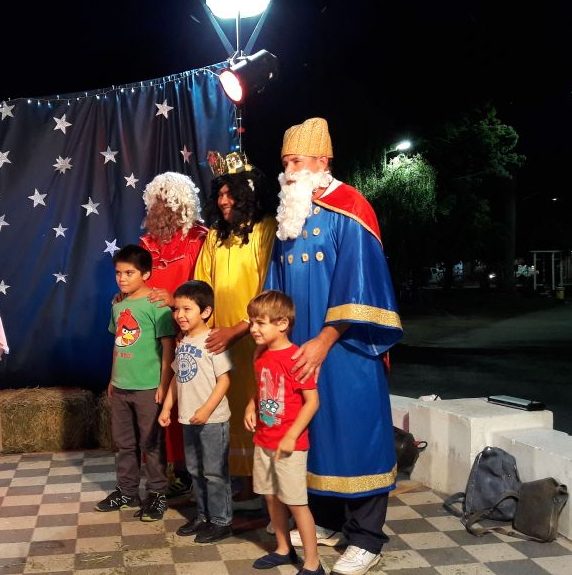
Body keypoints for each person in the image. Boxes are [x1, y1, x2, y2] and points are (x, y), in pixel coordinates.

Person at [265, 117, 403, 575]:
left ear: (323, 161)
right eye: (285, 162)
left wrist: (325, 339)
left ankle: (366, 538)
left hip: (347, 349)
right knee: (315, 433)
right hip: (299, 349)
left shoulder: (351, 208)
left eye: (297, 161)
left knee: (355, 434)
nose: (288, 170)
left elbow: (359, 285)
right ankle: (326, 519)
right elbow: (275, 289)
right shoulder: (291, 215)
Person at [194, 151, 277, 504]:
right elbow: (202, 284)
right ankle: (232, 482)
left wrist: (240, 328)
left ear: (248, 193)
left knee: (254, 407)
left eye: (231, 194)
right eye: (220, 194)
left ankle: (262, 489)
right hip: (218, 342)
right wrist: (204, 329)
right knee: (224, 409)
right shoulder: (215, 236)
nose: (224, 201)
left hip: (254, 339)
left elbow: (268, 286)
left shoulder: (266, 229)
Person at [244, 290, 324, 575]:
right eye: (251, 322)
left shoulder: (296, 358)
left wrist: (291, 435)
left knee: (296, 503)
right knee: (270, 496)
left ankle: (313, 562)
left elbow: (312, 402)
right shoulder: (260, 354)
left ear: (282, 324)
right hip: (264, 440)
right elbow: (260, 386)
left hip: (290, 445)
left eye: (260, 323)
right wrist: (250, 405)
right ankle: (282, 547)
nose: (253, 328)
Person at [96, 244, 175, 522]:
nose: (122, 278)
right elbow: (118, 343)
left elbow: (168, 348)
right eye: (118, 273)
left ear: (146, 273)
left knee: (150, 443)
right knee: (124, 444)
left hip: (148, 387)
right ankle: (127, 491)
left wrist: (163, 385)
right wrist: (112, 378)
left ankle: (157, 493)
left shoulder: (156, 306)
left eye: (129, 273)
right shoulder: (118, 305)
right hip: (121, 386)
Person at [141, 171, 208, 498]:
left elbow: (204, 286)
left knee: (188, 400)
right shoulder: (146, 243)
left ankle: (193, 474)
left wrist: (174, 302)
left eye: (167, 201)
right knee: (157, 401)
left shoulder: (200, 239)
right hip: (152, 338)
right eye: (155, 201)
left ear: (183, 203)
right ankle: (167, 471)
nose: (160, 208)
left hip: (188, 333)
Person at [158, 280, 233, 543]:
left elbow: (224, 380)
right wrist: (167, 407)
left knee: (214, 472)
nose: (179, 315)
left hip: (212, 420)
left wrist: (206, 409)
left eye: (187, 309)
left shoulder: (212, 341)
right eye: (176, 309)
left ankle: (221, 521)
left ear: (206, 311)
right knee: (194, 469)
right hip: (188, 419)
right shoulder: (183, 341)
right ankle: (203, 516)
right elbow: (177, 377)